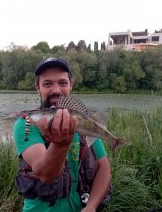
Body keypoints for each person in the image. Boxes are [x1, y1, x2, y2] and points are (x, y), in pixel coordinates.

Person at [13, 58, 112, 212]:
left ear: (71, 85)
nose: (56, 90)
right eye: (47, 84)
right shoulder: (26, 124)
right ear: (37, 87)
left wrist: (91, 206)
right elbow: (45, 174)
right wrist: (60, 144)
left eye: (63, 83)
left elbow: (104, 166)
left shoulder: (83, 122)